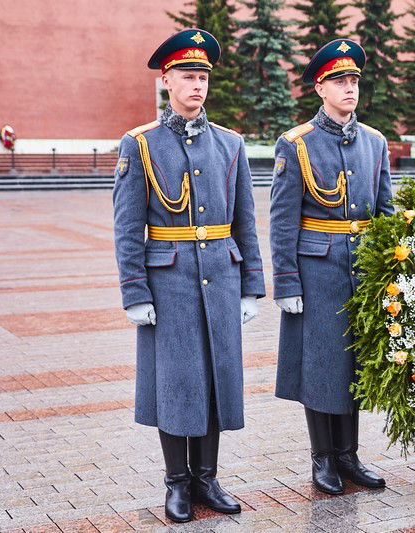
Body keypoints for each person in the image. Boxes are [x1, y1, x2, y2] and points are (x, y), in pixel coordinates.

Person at [112, 28, 265, 522]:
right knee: (179, 383)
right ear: (167, 80)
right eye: (187, 76)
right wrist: (134, 290)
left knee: (217, 379)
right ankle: (177, 482)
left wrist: (251, 286)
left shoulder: (231, 144)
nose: (196, 85)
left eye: (202, 77)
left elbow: (245, 218)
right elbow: (127, 224)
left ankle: (208, 478)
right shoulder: (140, 144)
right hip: (169, 281)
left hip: (221, 276)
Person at [269, 38, 393, 495]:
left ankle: (349, 456)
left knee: (354, 366)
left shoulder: (375, 142)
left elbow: (385, 211)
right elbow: (282, 218)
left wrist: (391, 271)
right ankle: (323, 459)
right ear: (319, 88)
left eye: (354, 81)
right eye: (339, 81)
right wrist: (285, 281)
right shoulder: (296, 143)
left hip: (362, 269)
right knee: (322, 367)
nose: (349, 88)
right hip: (316, 270)